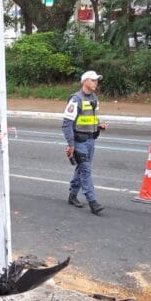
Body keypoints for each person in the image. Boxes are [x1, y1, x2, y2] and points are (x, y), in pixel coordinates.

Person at [62, 70, 107, 215]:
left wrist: (99, 125)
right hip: (79, 141)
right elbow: (67, 124)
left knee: (81, 168)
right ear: (85, 81)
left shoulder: (94, 97)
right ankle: (92, 202)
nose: (96, 83)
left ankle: (72, 195)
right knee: (86, 170)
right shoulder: (76, 99)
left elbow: (92, 117)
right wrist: (71, 144)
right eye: (93, 80)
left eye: (96, 80)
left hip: (91, 140)